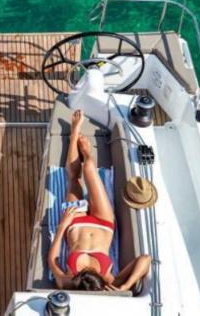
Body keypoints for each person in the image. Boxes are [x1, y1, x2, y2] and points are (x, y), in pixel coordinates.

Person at [48, 110, 152, 291]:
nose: (84, 269)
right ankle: (87, 153)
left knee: (73, 178)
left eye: (81, 271)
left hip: (74, 222)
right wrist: (125, 286)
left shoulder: (67, 281)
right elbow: (146, 259)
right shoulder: (109, 282)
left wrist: (63, 225)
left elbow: (52, 259)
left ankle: (74, 135)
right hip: (103, 221)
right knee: (88, 166)